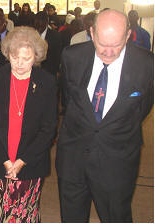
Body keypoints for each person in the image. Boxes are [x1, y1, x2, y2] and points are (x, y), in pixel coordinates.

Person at [56, 10, 153, 222]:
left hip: (117, 161)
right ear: (91, 32)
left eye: (116, 45)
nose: (108, 52)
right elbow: (68, 100)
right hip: (73, 158)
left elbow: (141, 109)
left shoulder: (147, 65)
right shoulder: (71, 56)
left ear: (128, 35)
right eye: (102, 44)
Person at [0, 26, 58, 222]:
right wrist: (5, 160)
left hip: (30, 160)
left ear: (36, 57)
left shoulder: (46, 82)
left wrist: (21, 161)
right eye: (15, 57)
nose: (20, 63)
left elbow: (48, 128)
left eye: (26, 58)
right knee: (1, 211)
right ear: (8, 54)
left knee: (26, 212)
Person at [34, 11, 62, 77]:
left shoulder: (55, 36)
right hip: (33, 71)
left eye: (41, 26)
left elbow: (57, 56)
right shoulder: (30, 34)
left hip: (49, 71)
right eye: (37, 26)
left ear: (47, 23)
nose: (39, 29)